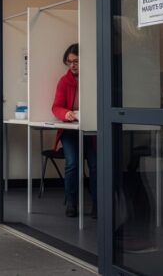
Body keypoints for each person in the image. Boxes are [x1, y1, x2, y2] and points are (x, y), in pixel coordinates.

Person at [51, 43, 97, 219]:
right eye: (69, 62)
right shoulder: (64, 81)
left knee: (95, 165)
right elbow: (56, 107)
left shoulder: (94, 78)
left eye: (76, 61)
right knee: (72, 163)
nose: (72, 65)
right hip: (70, 130)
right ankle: (71, 203)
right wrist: (66, 113)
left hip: (92, 129)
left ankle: (98, 204)